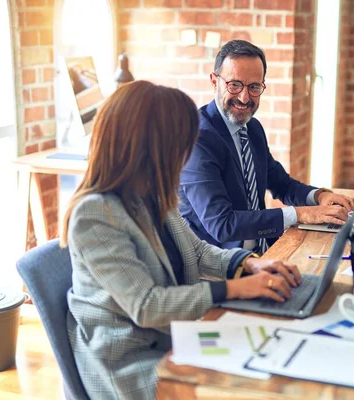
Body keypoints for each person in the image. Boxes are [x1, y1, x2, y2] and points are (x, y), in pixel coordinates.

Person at [60, 81, 302, 400]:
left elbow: (196, 250)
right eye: (182, 143)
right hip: (133, 365)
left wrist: (249, 264)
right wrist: (233, 288)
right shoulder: (95, 215)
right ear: (149, 146)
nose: (187, 153)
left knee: (273, 355)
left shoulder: (151, 192)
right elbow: (146, 306)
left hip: (175, 337)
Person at [179, 40, 354, 253]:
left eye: (254, 87)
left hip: (264, 251)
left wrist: (320, 196)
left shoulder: (252, 128)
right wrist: (301, 214)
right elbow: (222, 225)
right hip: (220, 266)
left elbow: (282, 184)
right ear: (214, 81)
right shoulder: (197, 140)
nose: (244, 97)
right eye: (234, 84)